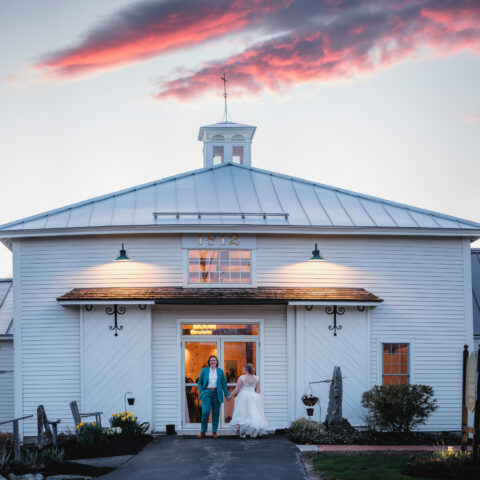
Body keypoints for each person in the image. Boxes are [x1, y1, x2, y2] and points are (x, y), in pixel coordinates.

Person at [227, 363, 268, 438]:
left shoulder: (241, 377)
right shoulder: (256, 378)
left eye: (243, 368)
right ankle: (253, 432)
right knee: (253, 414)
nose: (242, 369)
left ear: (246, 369)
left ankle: (242, 432)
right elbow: (258, 390)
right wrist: (256, 398)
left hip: (243, 396)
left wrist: (230, 396)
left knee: (242, 414)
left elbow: (237, 389)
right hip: (253, 396)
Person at [197, 355, 230, 438]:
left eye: (214, 360)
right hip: (207, 393)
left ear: (217, 362)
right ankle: (202, 431)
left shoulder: (220, 371)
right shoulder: (204, 370)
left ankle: (214, 432)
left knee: (215, 413)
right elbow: (199, 382)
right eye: (211, 360)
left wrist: (227, 395)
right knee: (205, 412)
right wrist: (202, 392)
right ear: (209, 362)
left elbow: (224, 384)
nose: (213, 361)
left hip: (216, 393)